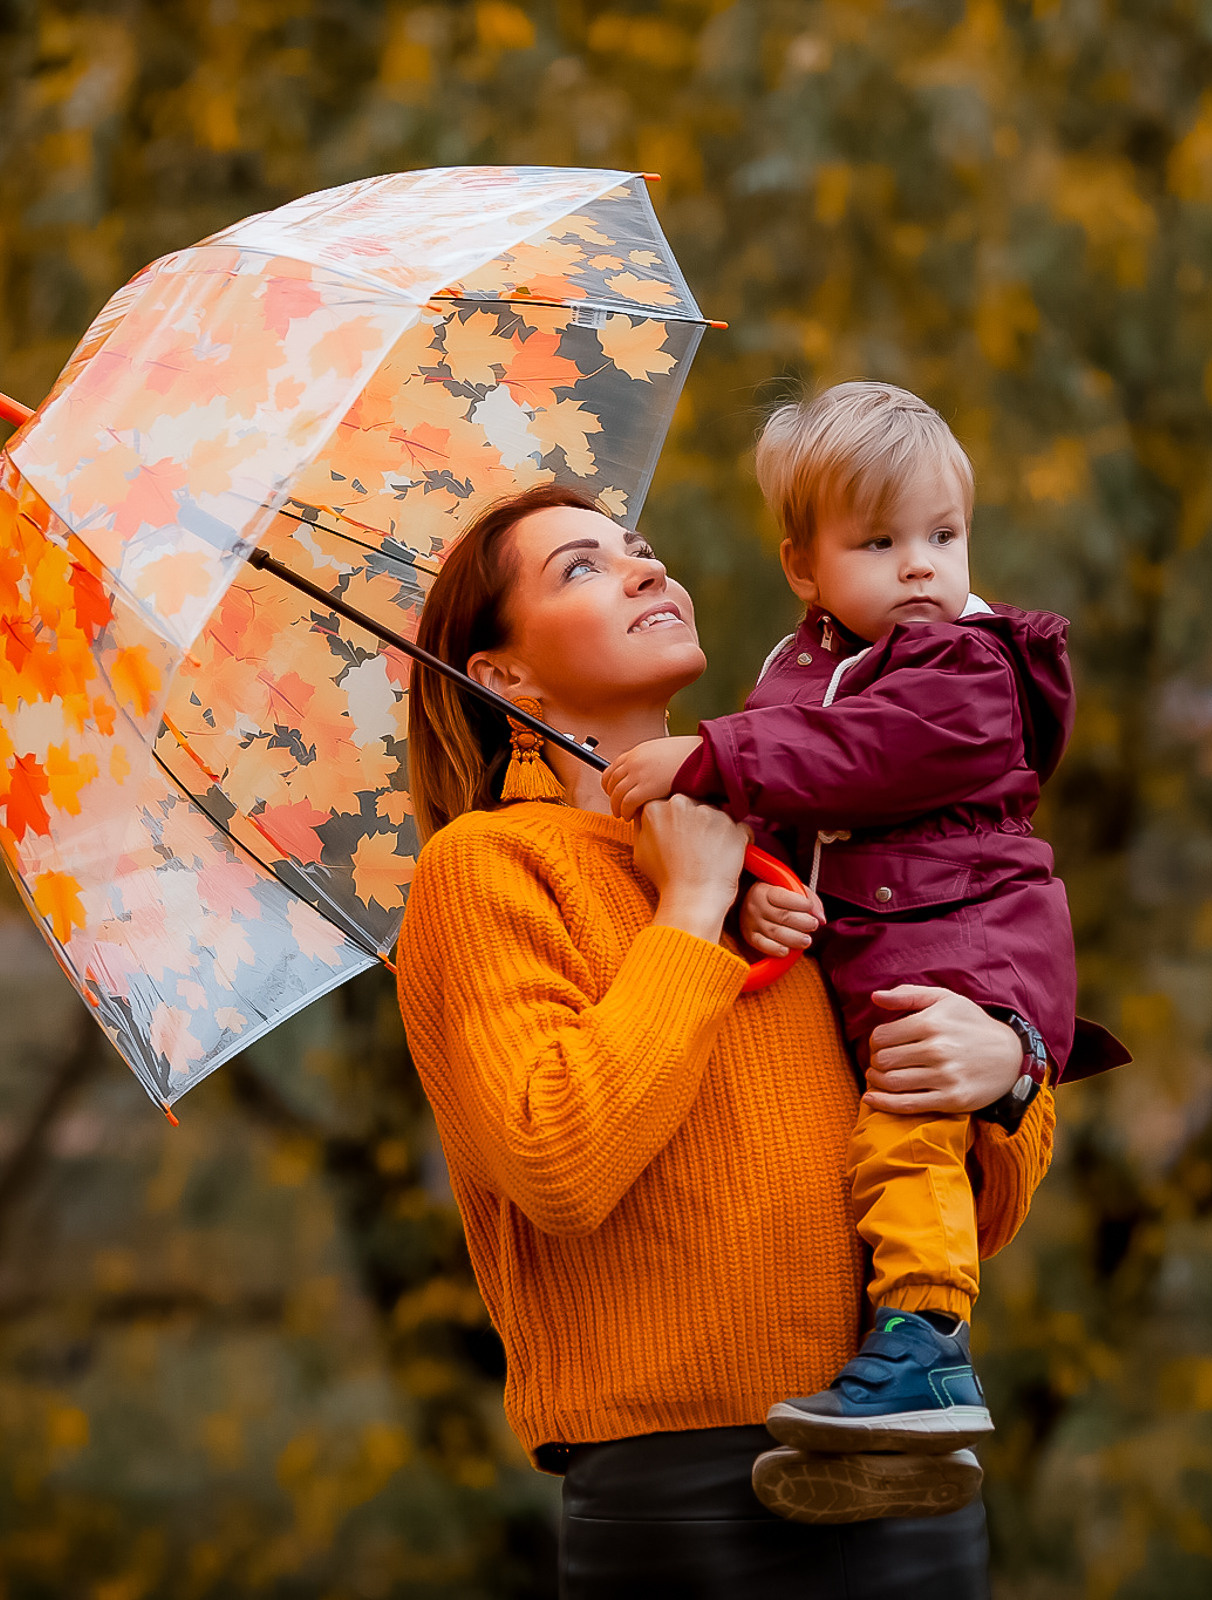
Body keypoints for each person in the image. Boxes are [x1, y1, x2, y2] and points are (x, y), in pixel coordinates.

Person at [394, 483, 1053, 1593]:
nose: (647, 570)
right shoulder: (490, 869)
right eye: (582, 568)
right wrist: (690, 908)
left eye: (642, 549)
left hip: (904, 1467)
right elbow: (561, 1160)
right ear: (500, 673)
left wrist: (1007, 1074)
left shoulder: (806, 856)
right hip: (680, 1498)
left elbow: (972, 1212)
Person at [600, 384, 1129, 1460]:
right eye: (881, 541)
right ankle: (888, 1386)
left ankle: (927, 1339)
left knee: (905, 1132)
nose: (923, 565)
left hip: (965, 945)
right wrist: (768, 886)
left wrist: (708, 755)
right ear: (806, 567)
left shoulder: (965, 667)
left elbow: (865, 758)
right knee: (882, 1140)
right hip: (890, 942)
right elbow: (797, 806)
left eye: (944, 534)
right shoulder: (802, 669)